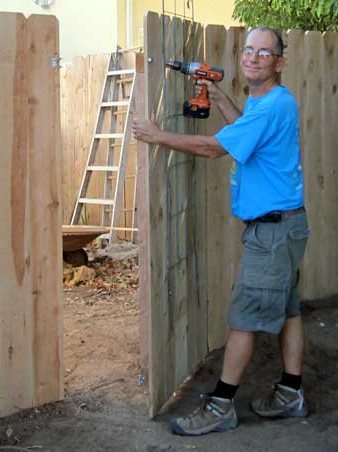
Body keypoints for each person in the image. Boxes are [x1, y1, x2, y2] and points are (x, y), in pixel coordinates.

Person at [132, 27, 310, 436]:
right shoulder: (265, 103)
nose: (253, 57)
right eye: (249, 49)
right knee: (288, 310)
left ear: (278, 63)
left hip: (273, 234)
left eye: (264, 53)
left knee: (243, 318)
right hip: (286, 227)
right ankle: (291, 392)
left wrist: (158, 136)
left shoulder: (271, 106)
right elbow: (247, 134)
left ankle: (221, 406)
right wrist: (223, 100)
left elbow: (216, 148)